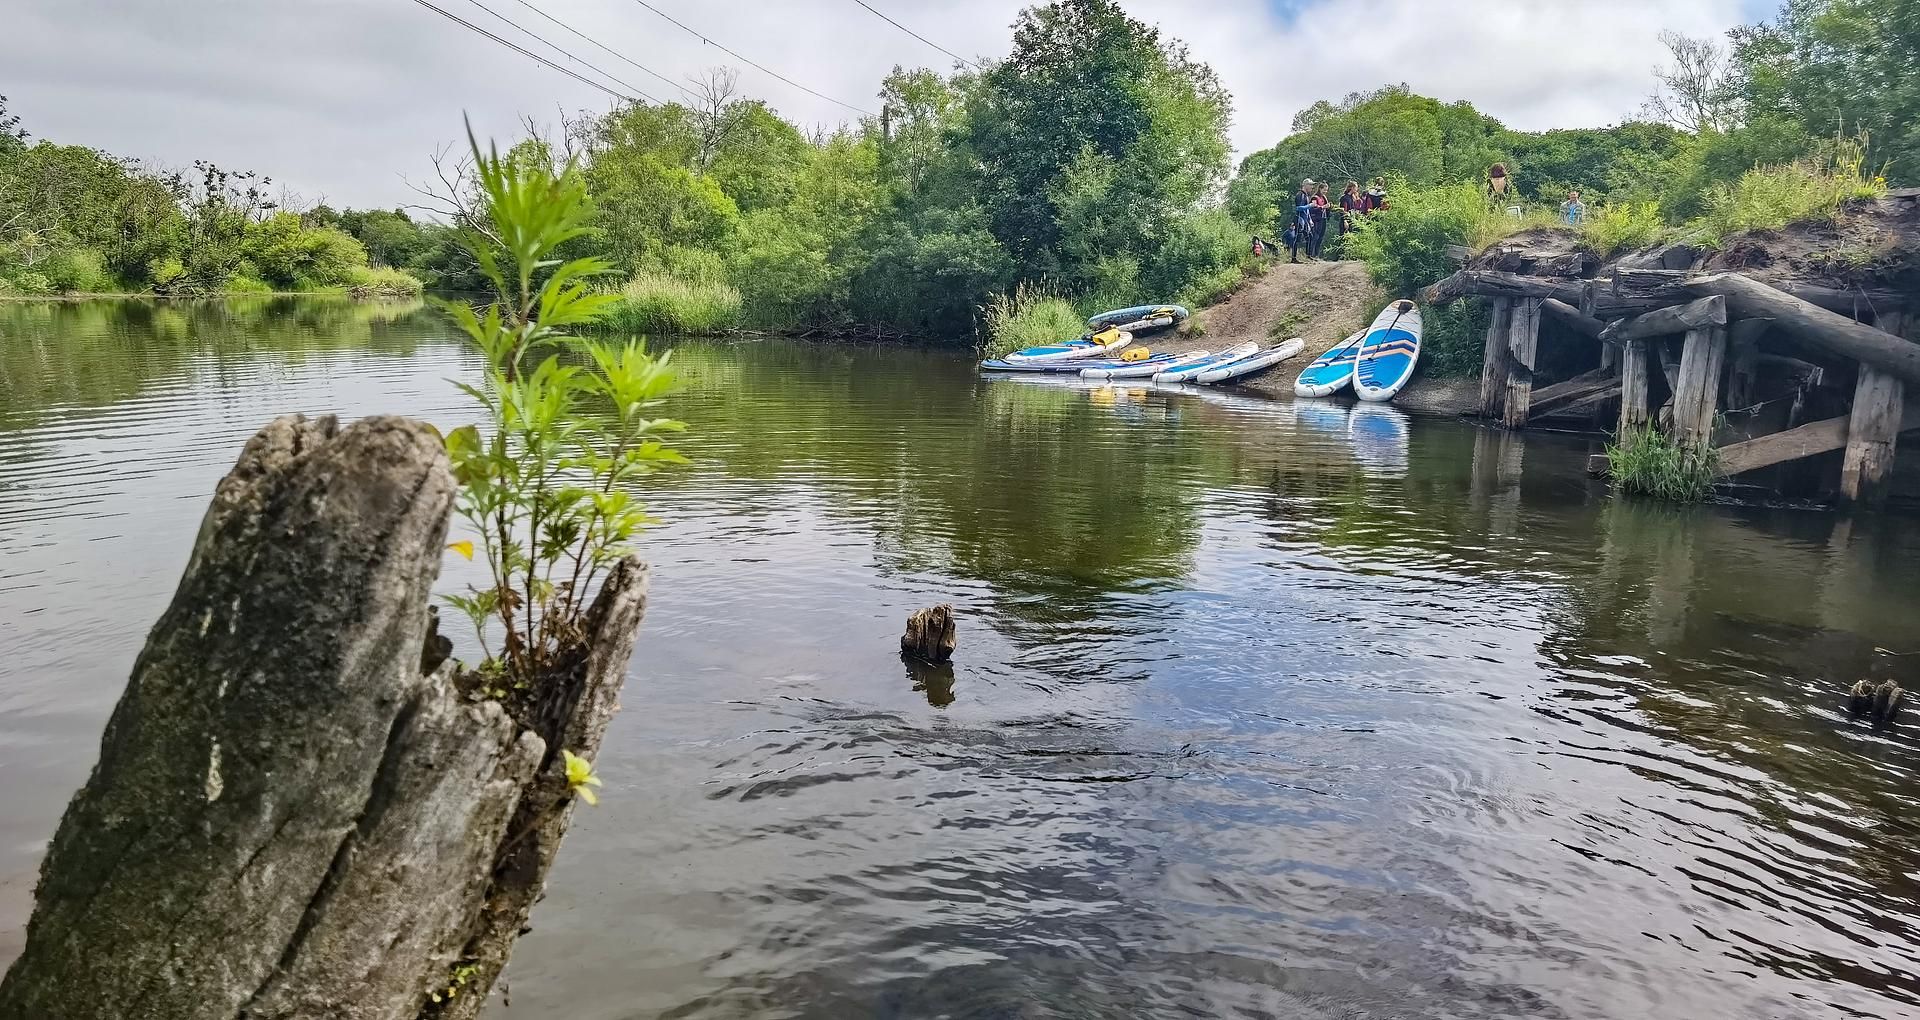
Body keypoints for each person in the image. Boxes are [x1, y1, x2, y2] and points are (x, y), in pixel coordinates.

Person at [1307, 183, 1330, 259]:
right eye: (1324, 190)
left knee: (1320, 237)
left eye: (1326, 190)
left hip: (1323, 219)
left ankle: (1316, 254)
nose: (1325, 191)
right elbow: (1313, 209)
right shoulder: (1315, 198)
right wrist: (1323, 207)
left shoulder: (1324, 197)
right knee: (1315, 236)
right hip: (1316, 219)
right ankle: (1310, 254)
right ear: (1320, 189)